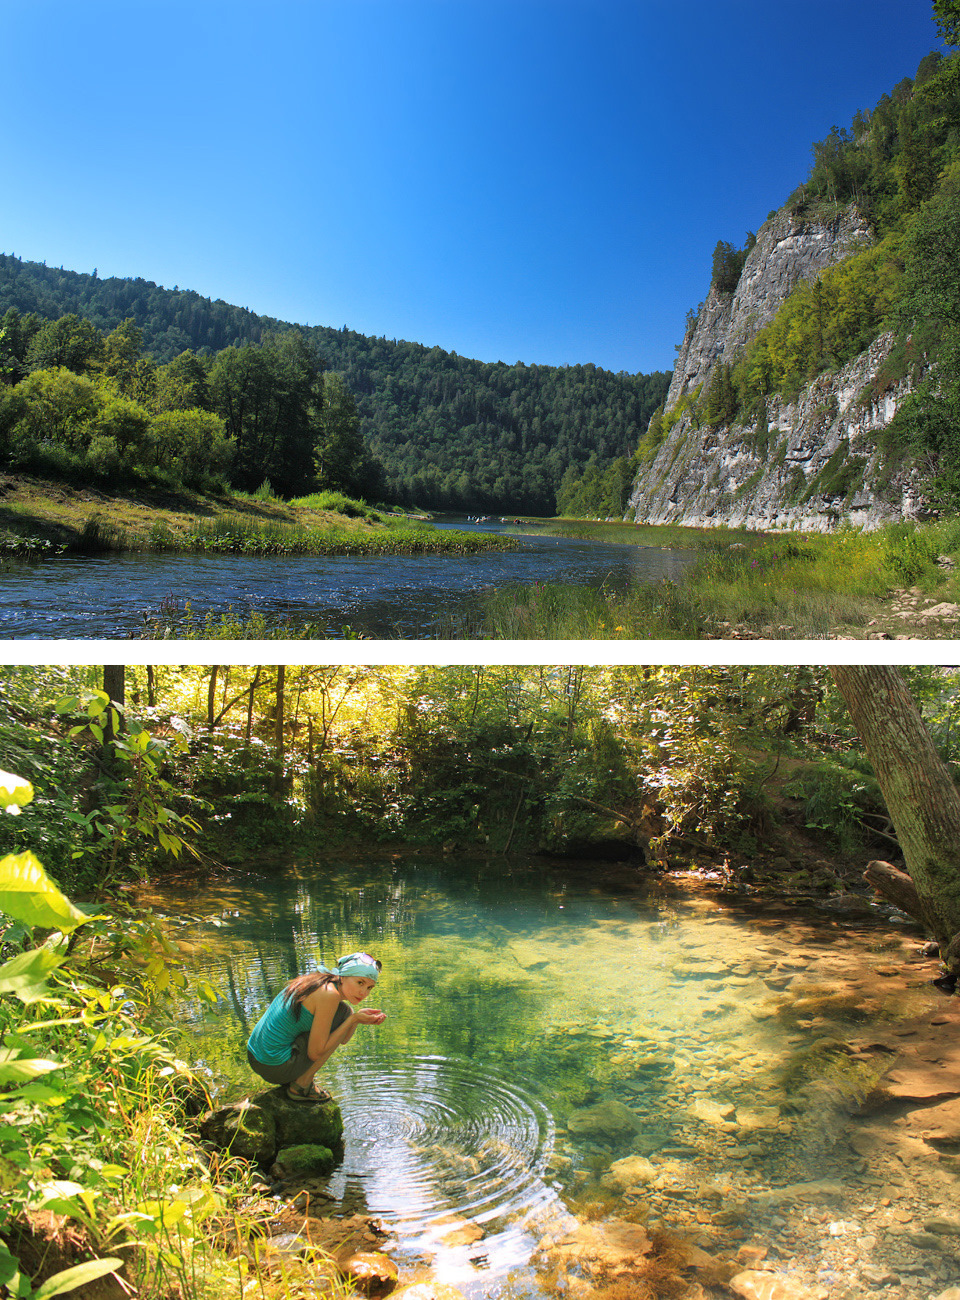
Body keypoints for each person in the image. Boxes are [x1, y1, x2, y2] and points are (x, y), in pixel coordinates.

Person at [246, 951, 386, 1103]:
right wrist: (353, 1019)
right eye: (360, 983)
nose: (364, 992)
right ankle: (301, 1085)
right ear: (344, 976)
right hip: (272, 1066)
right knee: (336, 1025)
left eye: (370, 988)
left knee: (345, 1012)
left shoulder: (320, 981)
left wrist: (355, 1019)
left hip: (256, 1056)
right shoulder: (329, 995)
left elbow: (343, 1039)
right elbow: (315, 1053)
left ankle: (299, 1078)